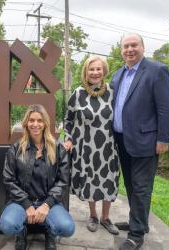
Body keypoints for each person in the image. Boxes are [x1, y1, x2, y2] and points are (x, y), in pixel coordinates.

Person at [112, 33, 169, 250]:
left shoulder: (157, 71)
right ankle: (136, 221)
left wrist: (164, 138)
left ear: (143, 47)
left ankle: (136, 234)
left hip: (146, 141)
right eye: (125, 46)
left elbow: (167, 107)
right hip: (122, 140)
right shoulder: (117, 75)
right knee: (130, 184)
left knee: (141, 187)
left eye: (134, 45)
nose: (129, 49)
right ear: (121, 50)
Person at [0, 104, 75, 250]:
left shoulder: (58, 148)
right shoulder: (16, 149)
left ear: (45, 123)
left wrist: (47, 205)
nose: (35, 124)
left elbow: (63, 181)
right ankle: (21, 232)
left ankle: (50, 232)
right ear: (26, 123)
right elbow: (8, 179)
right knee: (7, 225)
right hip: (20, 202)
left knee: (67, 228)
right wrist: (26, 204)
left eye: (40, 120)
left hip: (48, 201)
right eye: (31, 120)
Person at [63, 56, 120, 235]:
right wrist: (68, 138)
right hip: (85, 148)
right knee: (90, 181)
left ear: (104, 71)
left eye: (98, 69)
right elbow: (68, 119)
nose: (95, 73)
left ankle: (106, 217)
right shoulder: (78, 93)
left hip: (108, 147)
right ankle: (93, 216)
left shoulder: (112, 92)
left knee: (108, 180)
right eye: (91, 69)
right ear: (85, 72)